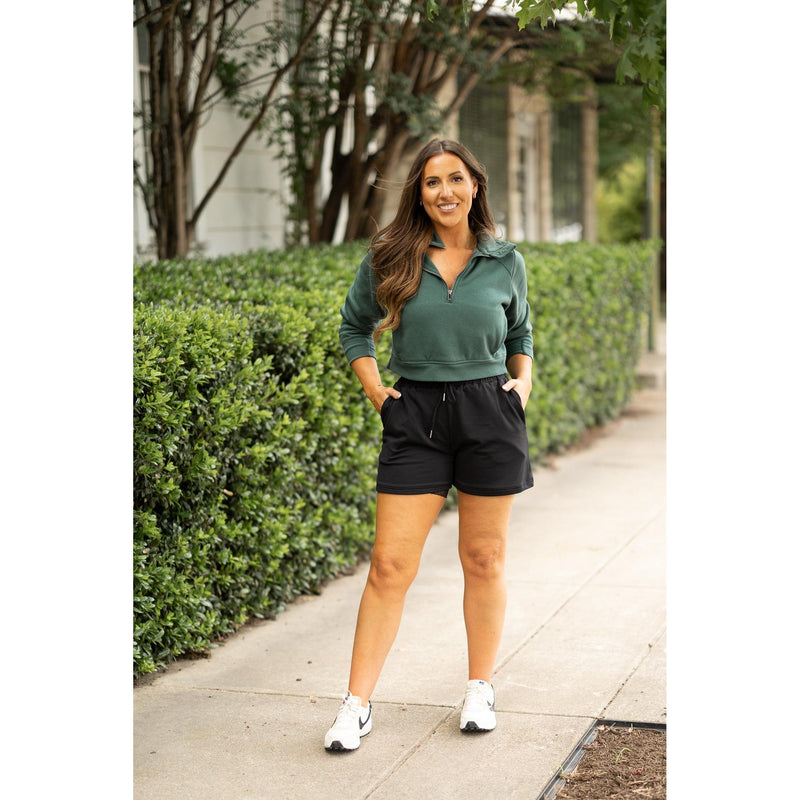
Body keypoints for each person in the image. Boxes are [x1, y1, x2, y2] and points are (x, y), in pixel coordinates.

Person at [324, 138, 534, 752]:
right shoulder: (391, 254)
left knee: (484, 557)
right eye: (432, 181)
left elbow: (520, 331)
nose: (445, 191)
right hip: (415, 414)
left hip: (488, 412)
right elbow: (354, 326)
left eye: (456, 179)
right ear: (419, 192)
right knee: (389, 565)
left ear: (475, 186)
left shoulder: (505, 260)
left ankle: (479, 689)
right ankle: (356, 705)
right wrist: (377, 392)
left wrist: (521, 383)